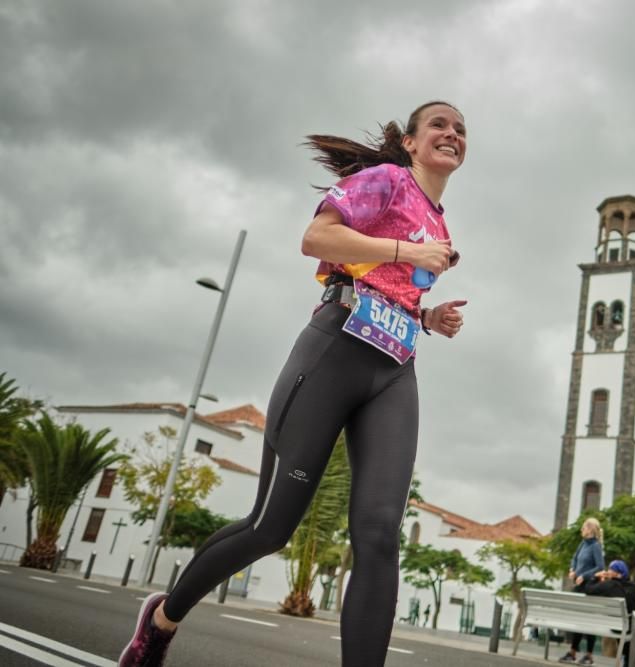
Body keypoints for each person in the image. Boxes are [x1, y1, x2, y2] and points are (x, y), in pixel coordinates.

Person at [118, 101, 469, 667]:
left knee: (379, 536)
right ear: (410, 141)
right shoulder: (384, 181)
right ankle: (161, 621)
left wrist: (428, 317)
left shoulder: (440, 220)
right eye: (439, 125)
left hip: (395, 368)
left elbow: (392, 289)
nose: (452, 134)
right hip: (334, 352)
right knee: (269, 528)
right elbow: (317, 239)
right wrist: (408, 250)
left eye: (460, 129)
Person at [559, 517, 605, 665]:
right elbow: (574, 558)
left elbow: (600, 567)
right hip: (579, 586)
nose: (581, 530)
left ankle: (589, 655)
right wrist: (572, 570)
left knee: (588, 621)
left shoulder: (596, 546)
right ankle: (573, 652)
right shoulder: (583, 544)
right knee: (578, 619)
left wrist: (584, 576)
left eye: (584, 527)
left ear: (591, 530)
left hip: (589, 587)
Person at [584, 560, 635, 666]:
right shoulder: (633, 587)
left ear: (618, 573)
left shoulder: (608, 585)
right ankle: (626, 661)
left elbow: (588, 589)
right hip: (628, 626)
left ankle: (625, 660)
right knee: (627, 625)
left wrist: (595, 577)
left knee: (622, 625)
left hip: (614, 625)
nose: (608, 571)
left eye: (611, 569)